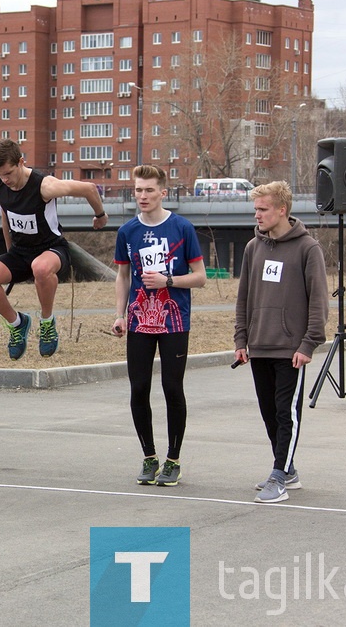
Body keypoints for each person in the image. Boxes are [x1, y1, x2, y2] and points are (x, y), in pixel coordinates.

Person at [234, 181, 328, 504]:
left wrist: (308, 344)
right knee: (269, 412)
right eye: (255, 209)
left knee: (287, 413)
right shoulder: (252, 248)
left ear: (282, 210)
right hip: (259, 346)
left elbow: (319, 302)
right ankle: (287, 468)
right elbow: (243, 297)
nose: (257, 215)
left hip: (291, 350)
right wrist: (241, 338)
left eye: (263, 209)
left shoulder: (307, 248)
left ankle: (279, 475)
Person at [113, 165, 207, 487]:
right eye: (138, 190)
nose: (142, 196)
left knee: (171, 388)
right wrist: (120, 314)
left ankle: (173, 460)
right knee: (139, 388)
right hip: (139, 320)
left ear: (162, 193)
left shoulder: (182, 228)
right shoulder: (127, 231)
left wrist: (168, 280)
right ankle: (149, 456)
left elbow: (201, 277)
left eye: (149, 190)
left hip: (174, 319)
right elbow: (123, 276)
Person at [0, 138, 108, 360]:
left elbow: (89, 188)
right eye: (0, 174)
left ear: (20, 162)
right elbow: (5, 215)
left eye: (8, 173)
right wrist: (10, 252)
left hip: (52, 249)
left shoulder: (45, 185)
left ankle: (47, 323)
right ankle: (18, 323)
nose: (5, 179)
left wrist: (100, 215)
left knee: (40, 267)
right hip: (20, 252)